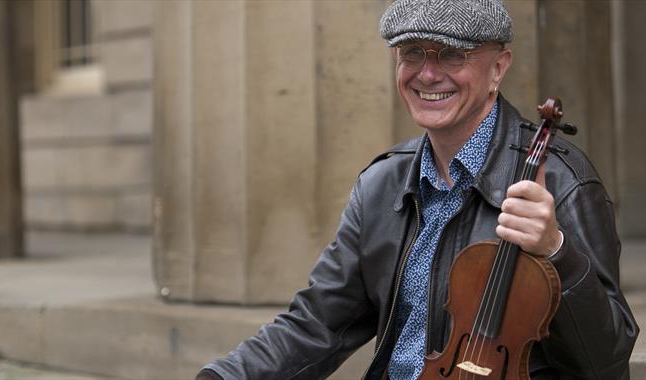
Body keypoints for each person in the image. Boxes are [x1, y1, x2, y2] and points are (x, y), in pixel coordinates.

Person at [196, 0, 638, 379]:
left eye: (451, 55)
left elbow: (607, 364)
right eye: (412, 53)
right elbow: (316, 325)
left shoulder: (562, 182)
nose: (427, 74)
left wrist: (558, 251)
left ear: (498, 68)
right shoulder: (380, 185)